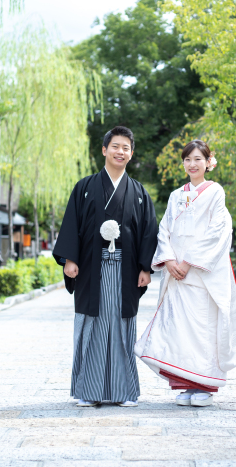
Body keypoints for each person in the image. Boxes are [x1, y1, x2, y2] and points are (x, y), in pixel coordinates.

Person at [134, 139, 236, 407]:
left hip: (200, 274)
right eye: (188, 159)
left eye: (198, 159)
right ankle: (186, 385)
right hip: (176, 273)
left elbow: (218, 231)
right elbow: (164, 229)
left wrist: (188, 262)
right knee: (180, 330)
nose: (192, 164)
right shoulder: (176, 195)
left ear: (208, 162)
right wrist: (168, 261)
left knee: (202, 329)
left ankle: (205, 386)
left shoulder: (215, 192)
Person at [53, 126, 158, 407]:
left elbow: (148, 232)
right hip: (90, 268)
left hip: (124, 271)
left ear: (131, 153)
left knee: (122, 328)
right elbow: (72, 225)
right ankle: (88, 391)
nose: (120, 152)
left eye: (125, 148)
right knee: (91, 326)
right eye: (115, 146)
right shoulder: (85, 188)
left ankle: (124, 392)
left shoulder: (138, 192)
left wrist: (145, 268)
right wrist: (70, 259)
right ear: (104, 150)